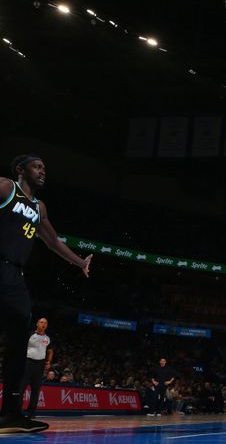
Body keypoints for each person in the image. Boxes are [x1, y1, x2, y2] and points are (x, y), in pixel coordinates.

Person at [0, 155, 92, 434]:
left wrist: (79, 262)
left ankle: (11, 415)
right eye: (37, 166)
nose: (43, 171)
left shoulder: (38, 207)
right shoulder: (5, 188)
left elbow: (52, 241)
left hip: (15, 277)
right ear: (20, 170)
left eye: (44, 168)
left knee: (18, 345)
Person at [19, 317, 53, 419]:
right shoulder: (30, 334)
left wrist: (48, 361)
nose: (43, 324)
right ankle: (17, 411)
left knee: (36, 389)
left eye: (45, 323)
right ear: (37, 324)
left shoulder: (48, 338)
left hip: (40, 365)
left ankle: (31, 412)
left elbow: (50, 350)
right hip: (27, 362)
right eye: (41, 322)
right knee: (21, 388)